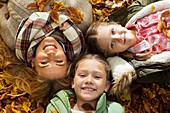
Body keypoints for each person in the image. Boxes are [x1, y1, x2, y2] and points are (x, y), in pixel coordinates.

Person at [0, 0, 93, 99]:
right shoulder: (82, 20)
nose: (51, 53)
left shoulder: (12, 36)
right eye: (59, 61)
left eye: (44, 62)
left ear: (33, 62)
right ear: (67, 58)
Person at [85, 0, 170, 95]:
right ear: (113, 53)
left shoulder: (133, 14)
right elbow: (165, 75)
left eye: (113, 31)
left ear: (116, 24)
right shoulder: (141, 67)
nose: (118, 37)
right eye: (112, 44)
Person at [46, 54, 124, 113]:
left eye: (97, 77)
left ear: (106, 86)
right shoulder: (56, 107)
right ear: (73, 82)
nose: (89, 80)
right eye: (82, 75)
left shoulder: (114, 110)